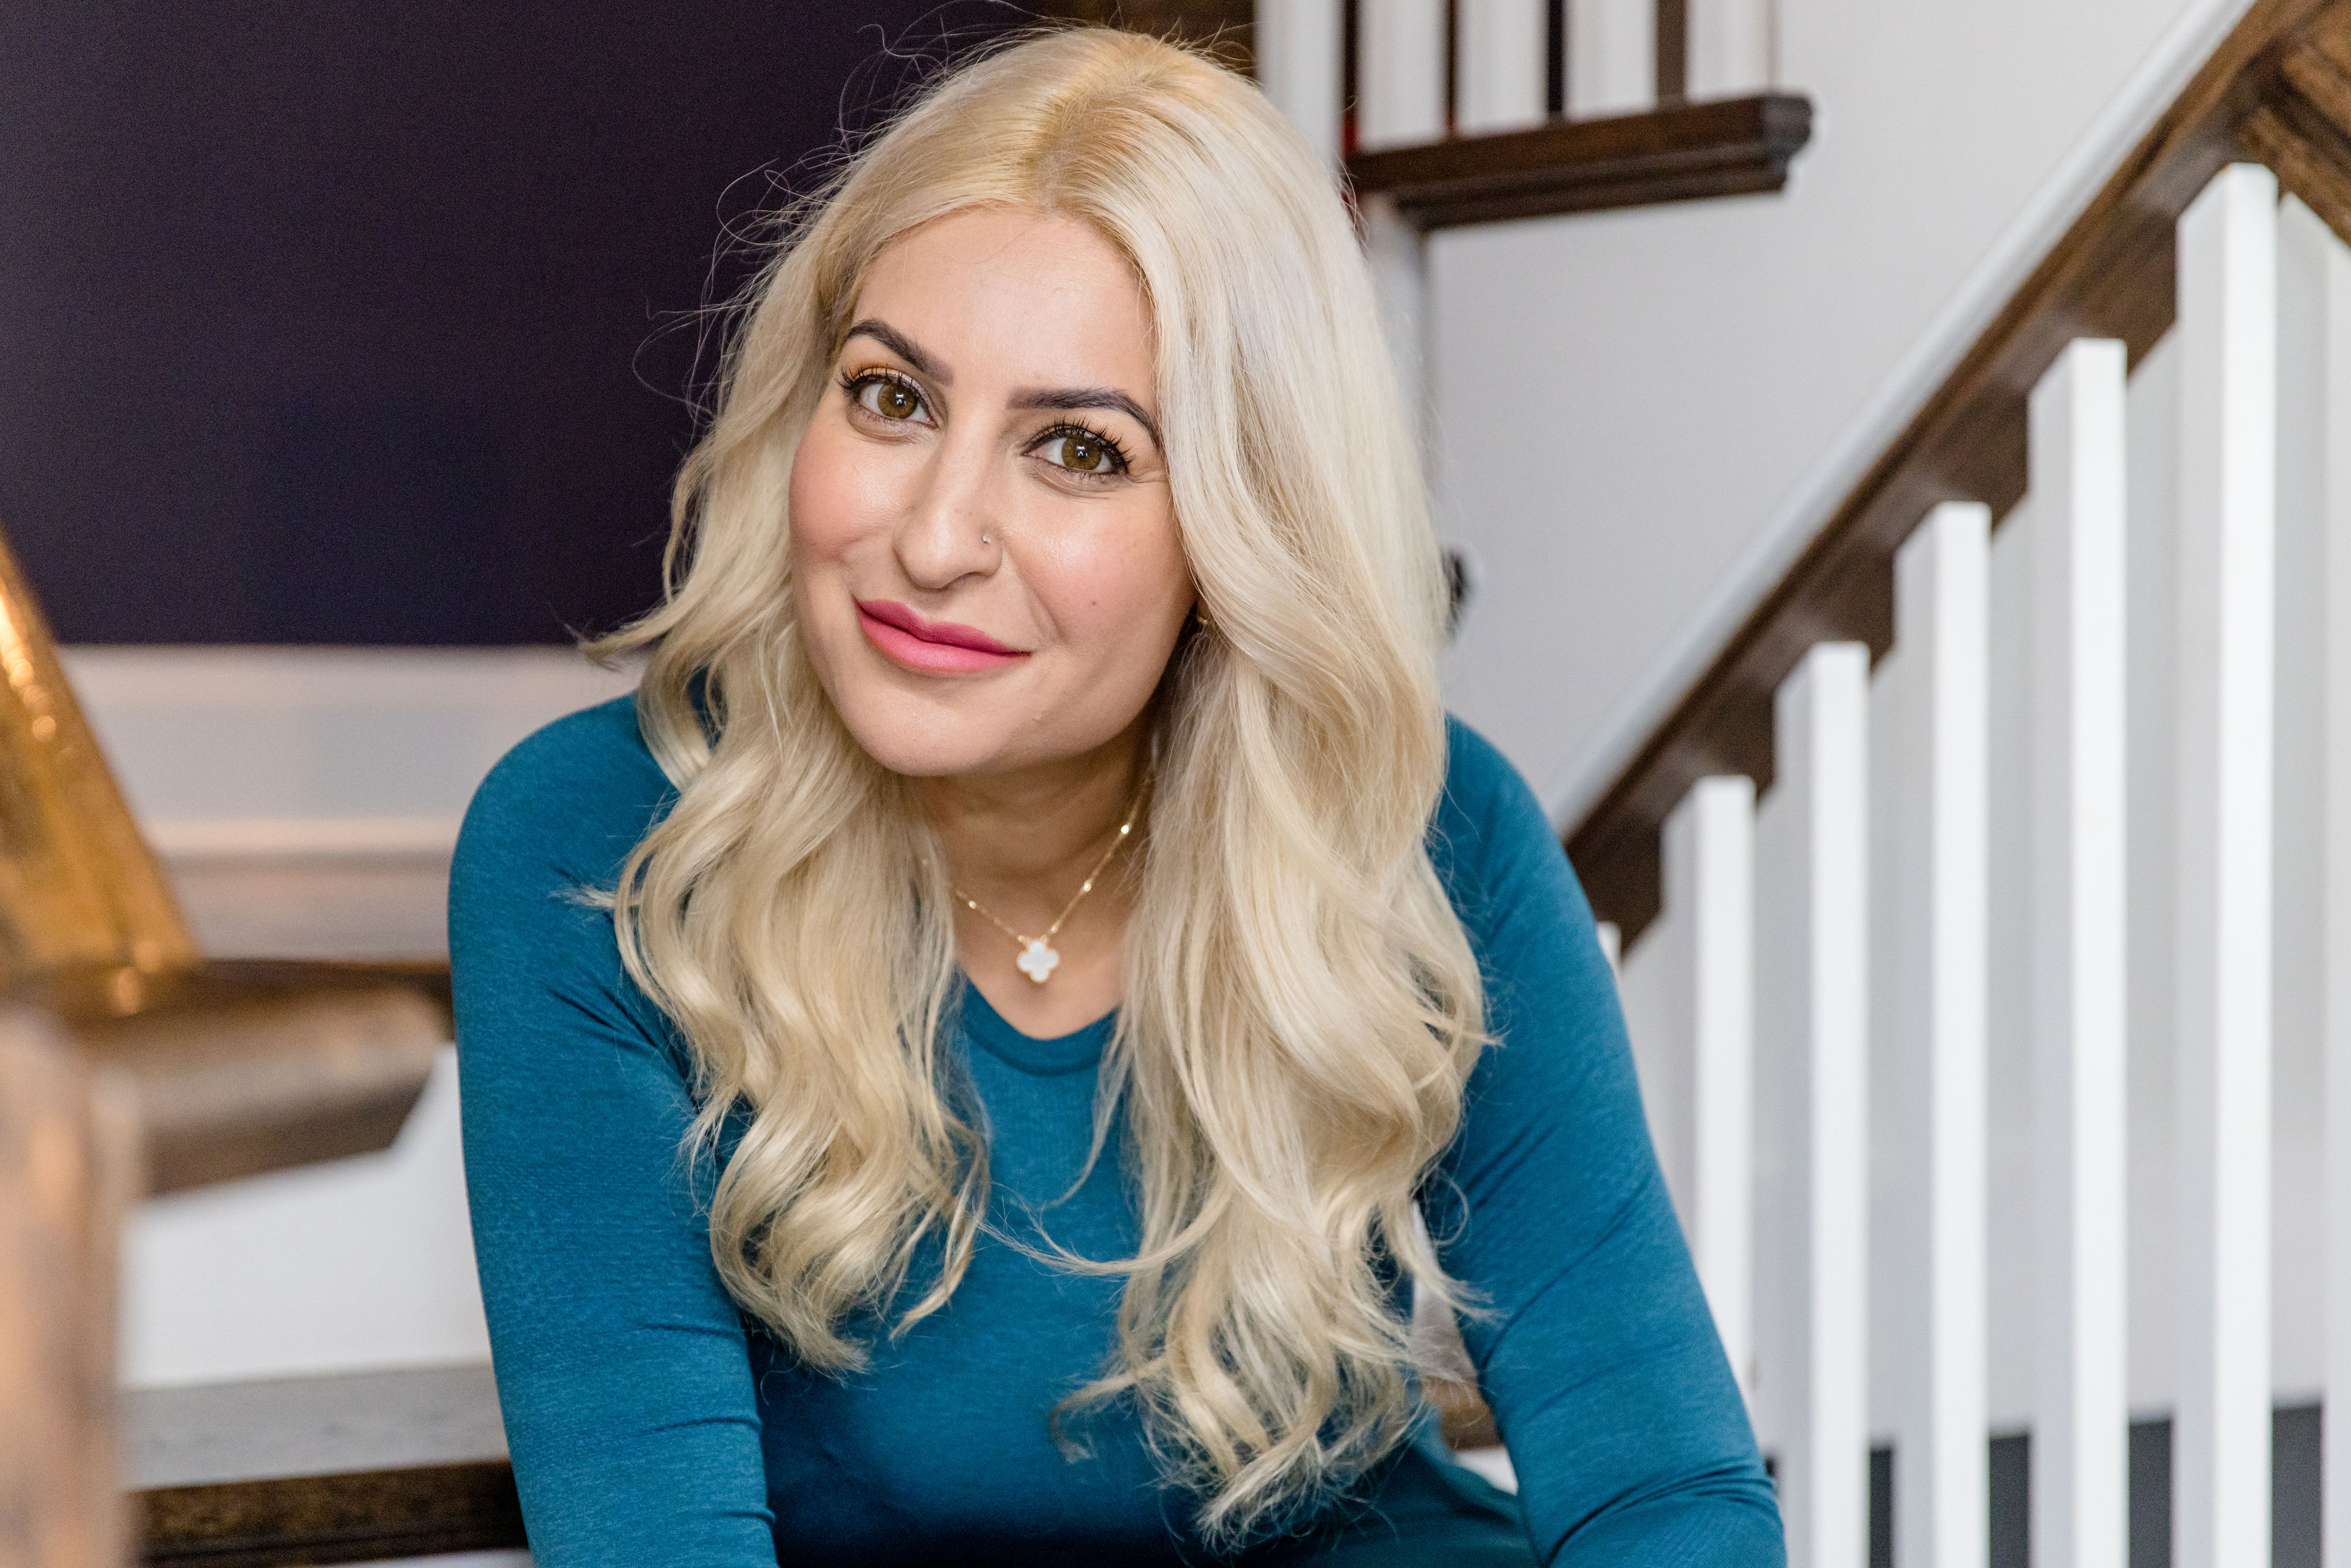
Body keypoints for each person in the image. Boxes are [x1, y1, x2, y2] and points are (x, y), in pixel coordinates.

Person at [451, 26, 1780, 1567]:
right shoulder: (601, 851)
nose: (936, 537)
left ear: (1240, 526)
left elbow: (1664, 1489)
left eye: (1078, 449)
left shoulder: (1428, 832)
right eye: (891, 397)